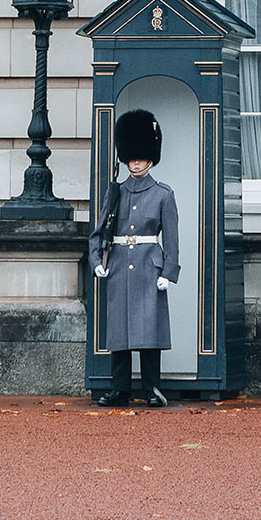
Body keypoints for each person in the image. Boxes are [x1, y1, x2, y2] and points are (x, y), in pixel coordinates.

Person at [89, 108, 180, 407]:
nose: (136, 161)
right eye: (131, 157)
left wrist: (169, 271)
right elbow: (99, 231)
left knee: (148, 330)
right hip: (118, 265)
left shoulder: (163, 194)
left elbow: (172, 238)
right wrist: (96, 261)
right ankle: (121, 390)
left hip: (148, 265)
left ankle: (153, 389)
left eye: (140, 157)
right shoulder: (115, 192)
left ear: (150, 157)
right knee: (120, 331)